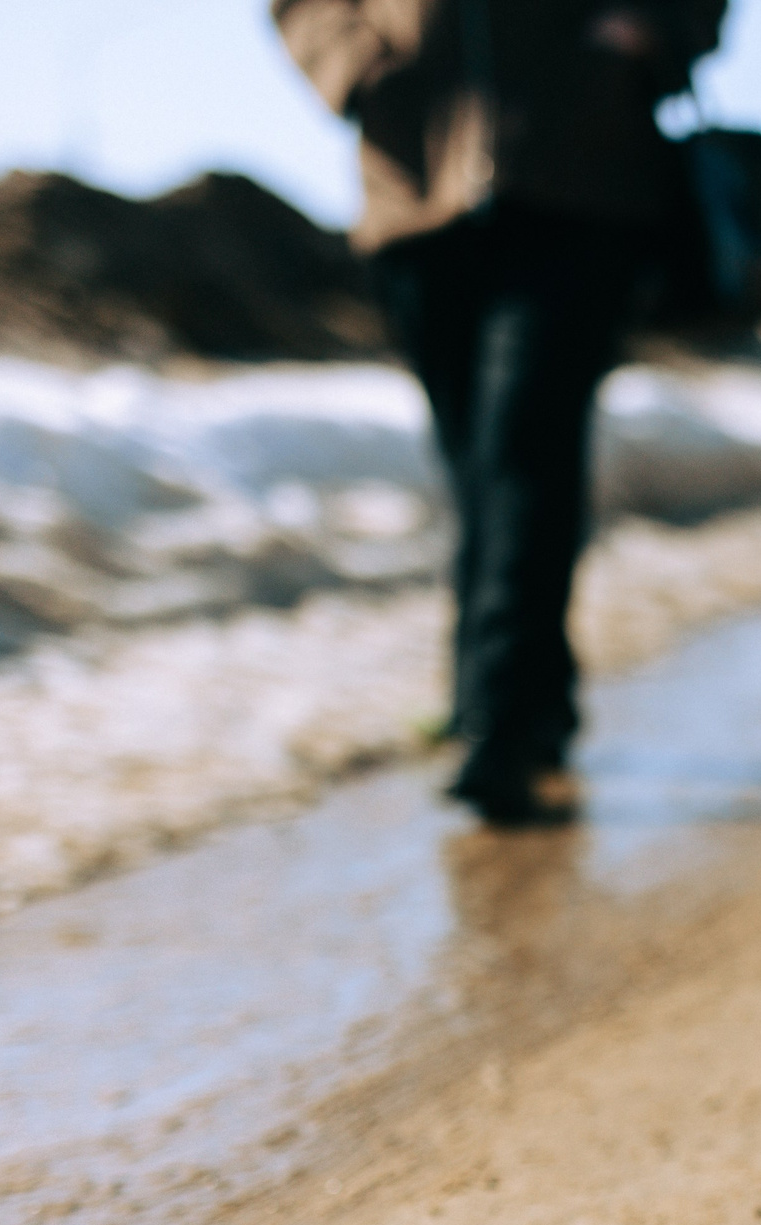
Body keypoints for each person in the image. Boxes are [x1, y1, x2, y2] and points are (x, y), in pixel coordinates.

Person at [273, 0, 728, 823]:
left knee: (526, 444)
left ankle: (498, 723)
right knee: (474, 461)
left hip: (578, 177)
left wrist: (654, 28)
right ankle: (524, 694)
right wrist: (354, 61)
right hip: (416, 186)